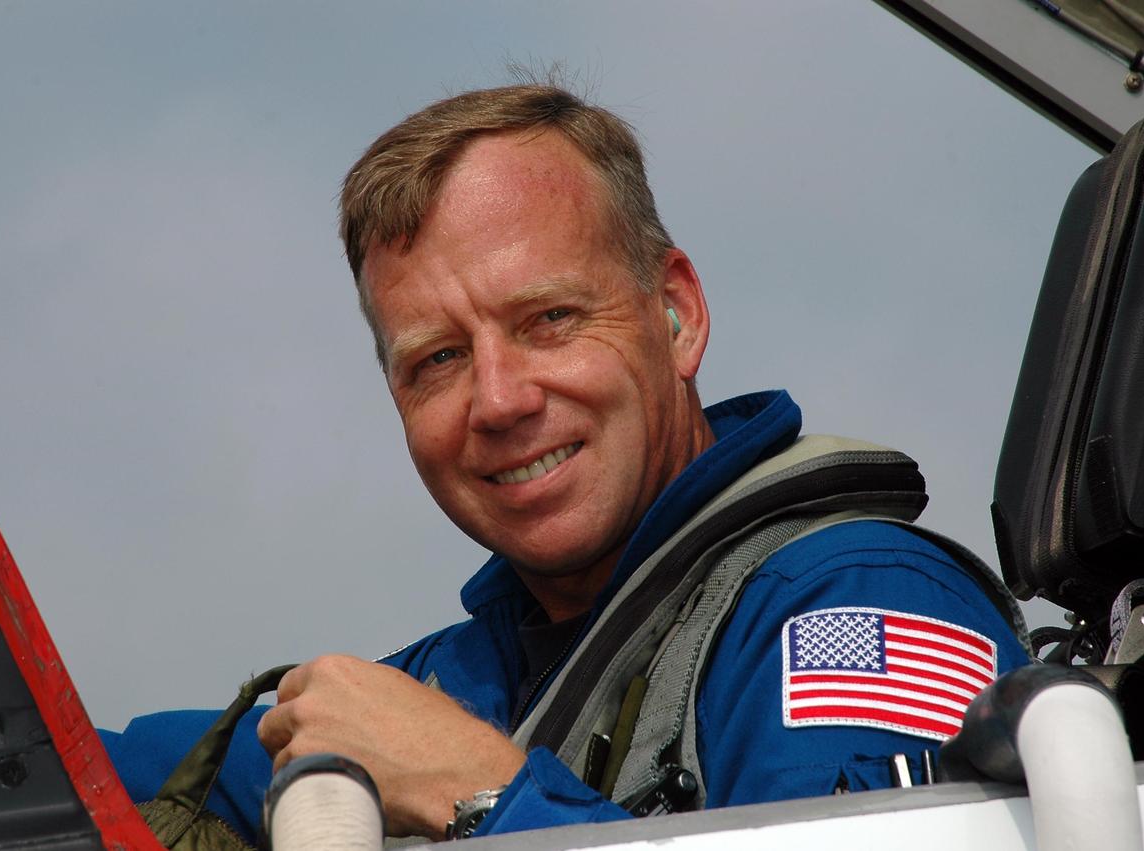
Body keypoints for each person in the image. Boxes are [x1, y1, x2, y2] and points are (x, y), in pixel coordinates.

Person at [102, 83, 1029, 842]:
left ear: (677, 314)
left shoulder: (849, 608)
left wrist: (484, 796)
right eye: (439, 359)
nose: (500, 400)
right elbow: (52, 767)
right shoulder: (438, 689)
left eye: (549, 319)